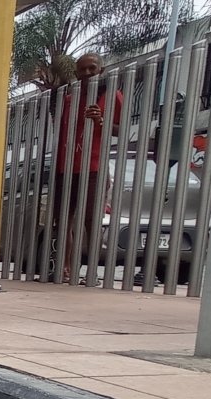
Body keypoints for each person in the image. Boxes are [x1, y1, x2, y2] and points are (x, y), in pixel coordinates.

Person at [54, 53, 123, 284]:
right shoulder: (69, 99)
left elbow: (122, 130)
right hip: (66, 167)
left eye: (92, 68)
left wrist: (101, 121)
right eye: (82, 70)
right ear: (76, 74)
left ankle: (91, 270)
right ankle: (66, 268)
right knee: (63, 219)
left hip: (94, 166)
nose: (87, 73)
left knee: (91, 220)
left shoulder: (112, 96)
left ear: (100, 70)